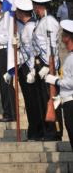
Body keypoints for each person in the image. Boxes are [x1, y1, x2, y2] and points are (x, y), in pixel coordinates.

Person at [29, 0, 63, 141]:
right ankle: (47, 130)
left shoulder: (49, 22)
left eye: (36, 6)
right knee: (43, 99)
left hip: (48, 65)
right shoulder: (41, 21)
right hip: (41, 64)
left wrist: (50, 68)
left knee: (51, 99)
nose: (34, 9)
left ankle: (55, 131)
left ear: (40, 6)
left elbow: (52, 47)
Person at [13, 0, 41, 140]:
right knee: (29, 102)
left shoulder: (31, 27)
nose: (15, 13)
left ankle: (36, 132)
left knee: (33, 101)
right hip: (23, 66)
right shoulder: (24, 27)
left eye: (17, 11)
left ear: (21, 12)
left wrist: (31, 70)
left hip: (30, 69)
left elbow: (34, 51)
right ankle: (33, 131)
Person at [45, 20, 73, 150]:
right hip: (67, 101)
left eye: (63, 35)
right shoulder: (69, 57)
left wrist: (56, 81)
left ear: (68, 38)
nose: (61, 38)